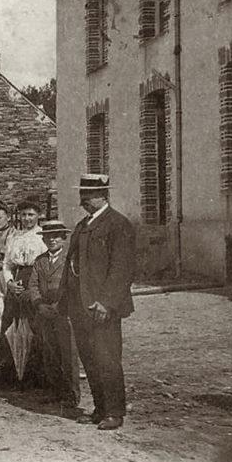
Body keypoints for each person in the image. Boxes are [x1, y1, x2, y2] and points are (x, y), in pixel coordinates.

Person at [61, 174, 136, 431]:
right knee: (90, 359)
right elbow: (70, 267)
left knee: (107, 359)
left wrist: (106, 303)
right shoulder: (83, 225)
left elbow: (121, 270)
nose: (83, 199)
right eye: (82, 194)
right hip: (80, 307)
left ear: (104, 195)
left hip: (102, 307)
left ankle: (115, 412)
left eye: (89, 194)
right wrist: (65, 302)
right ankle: (100, 409)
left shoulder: (118, 224)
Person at [25, 219, 81, 419]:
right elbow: (32, 285)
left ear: (64, 238)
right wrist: (39, 304)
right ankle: (55, 392)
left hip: (64, 313)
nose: (52, 240)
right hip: (44, 312)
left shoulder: (71, 259)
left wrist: (60, 305)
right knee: (50, 353)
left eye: (57, 236)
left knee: (68, 354)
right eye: (48, 236)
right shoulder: (40, 261)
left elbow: (74, 285)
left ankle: (72, 395)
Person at [0, 199, 47, 387]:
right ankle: (12, 375)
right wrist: (9, 282)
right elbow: (7, 264)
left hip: (35, 280)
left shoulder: (43, 236)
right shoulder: (14, 237)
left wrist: (33, 285)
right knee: (11, 326)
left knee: (33, 327)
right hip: (16, 280)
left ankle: (35, 377)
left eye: (31, 215)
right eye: (24, 215)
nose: (27, 219)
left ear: (38, 216)